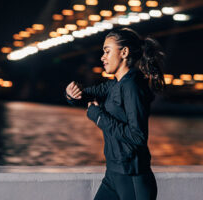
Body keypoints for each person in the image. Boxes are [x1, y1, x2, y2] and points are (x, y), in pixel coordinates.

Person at [65, 28, 166, 200]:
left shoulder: (132, 87)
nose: (102, 57)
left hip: (132, 177)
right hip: (113, 175)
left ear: (124, 52)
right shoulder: (114, 85)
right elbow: (84, 94)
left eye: (107, 51)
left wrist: (98, 116)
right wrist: (70, 94)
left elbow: (138, 136)